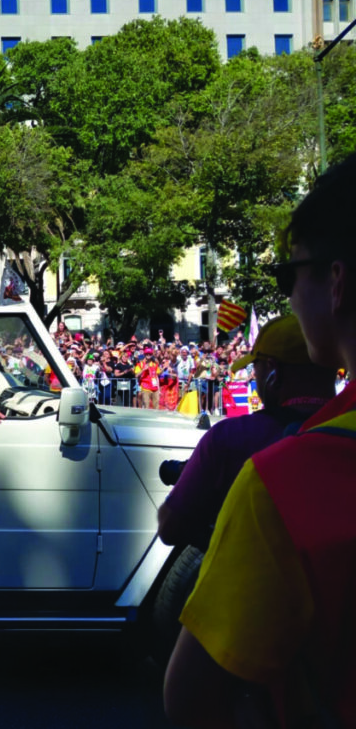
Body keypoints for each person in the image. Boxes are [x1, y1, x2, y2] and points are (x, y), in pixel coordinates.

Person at [165, 154, 356, 728]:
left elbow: (192, 698)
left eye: (288, 276)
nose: (290, 297)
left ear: (337, 282)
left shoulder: (286, 481)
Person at [157, 314, 336, 550]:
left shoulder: (231, 439)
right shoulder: (346, 428)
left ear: (273, 371)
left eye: (255, 367)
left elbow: (170, 528)